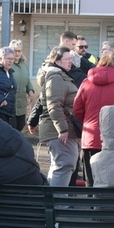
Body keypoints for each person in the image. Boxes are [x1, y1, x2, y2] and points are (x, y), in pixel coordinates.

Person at [73, 50, 114, 186]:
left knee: (91, 180)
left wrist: (88, 122)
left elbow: (77, 109)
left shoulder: (86, 82)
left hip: (90, 137)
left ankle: (92, 205)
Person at [31, 46, 81, 187]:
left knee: (60, 165)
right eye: (67, 59)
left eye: (71, 58)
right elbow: (54, 104)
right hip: (59, 130)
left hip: (61, 128)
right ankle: (58, 203)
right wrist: (63, 129)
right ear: (57, 61)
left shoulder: (61, 75)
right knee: (64, 164)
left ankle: (53, 202)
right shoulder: (56, 77)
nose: (70, 62)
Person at [8, 39, 36, 132]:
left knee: (20, 125)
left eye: (19, 51)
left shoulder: (24, 65)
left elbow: (27, 80)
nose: (17, 53)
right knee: (12, 128)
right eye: (14, 51)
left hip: (21, 104)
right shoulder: (8, 65)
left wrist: (30, 91)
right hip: (10, 103)